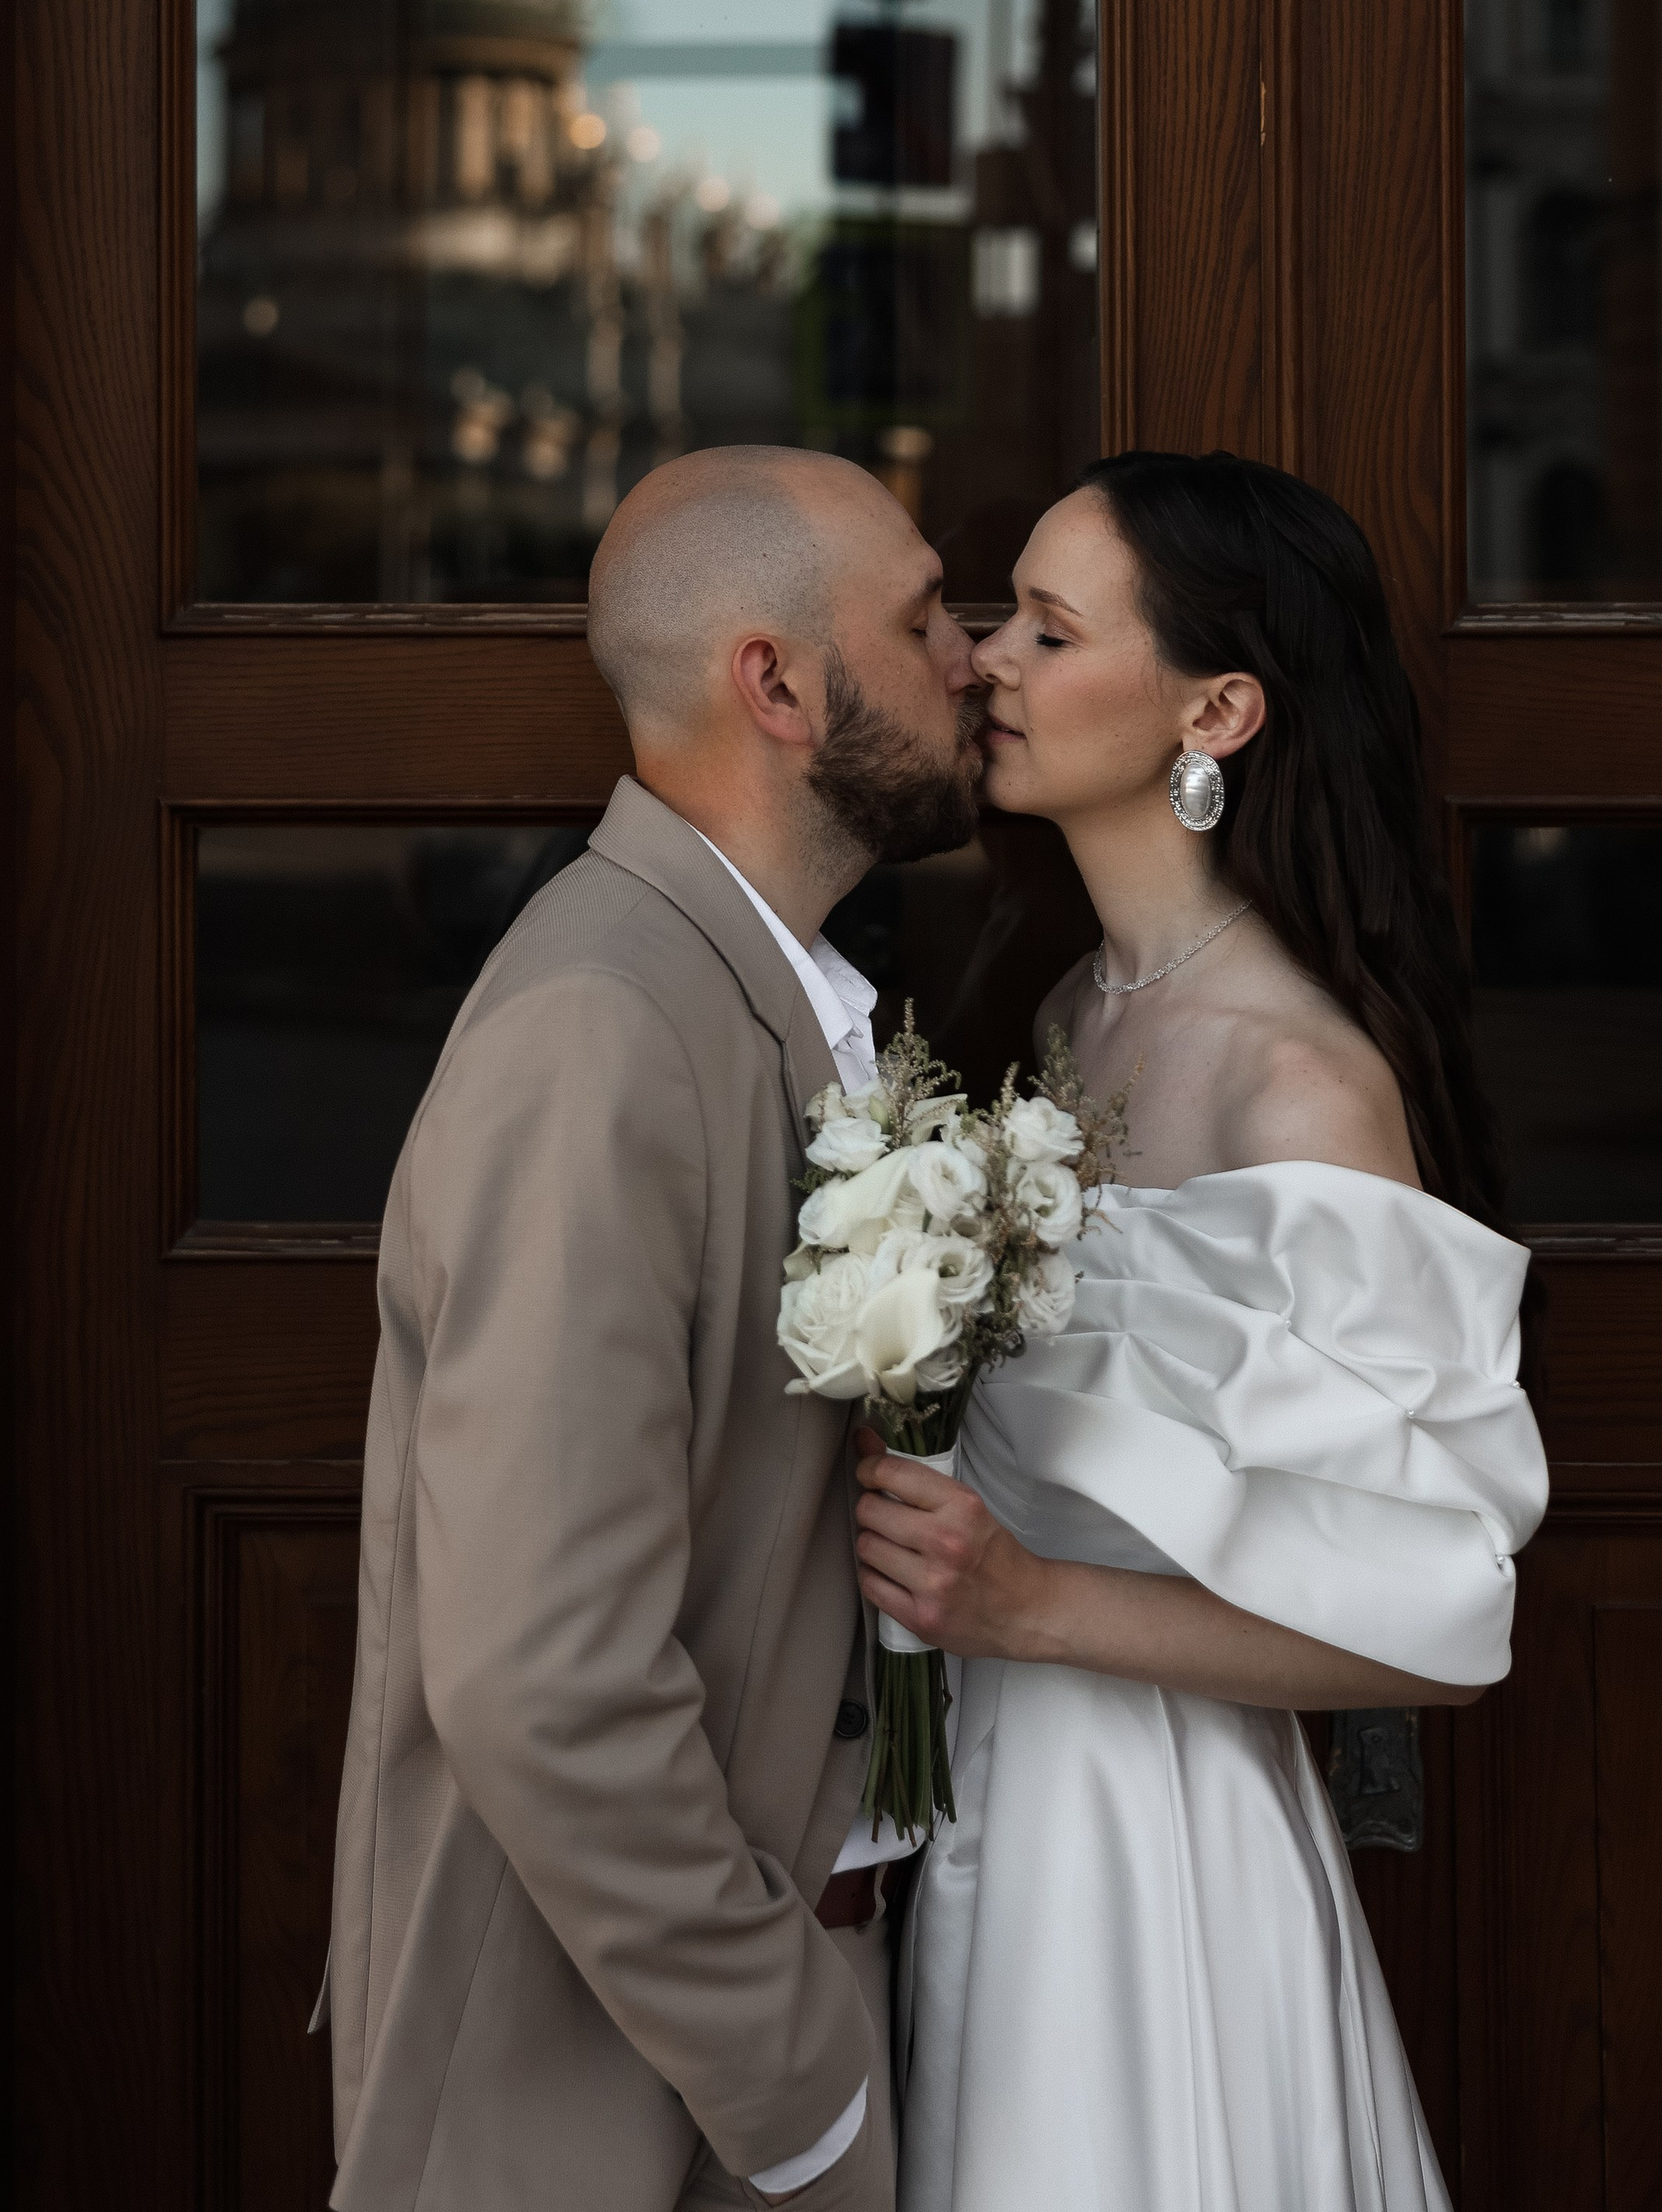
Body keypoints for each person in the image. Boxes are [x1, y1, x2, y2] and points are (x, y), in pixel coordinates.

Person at [856, 452, 1550, 2212]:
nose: (983, 659)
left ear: (1216, 709)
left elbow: (1438, 1623)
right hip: (983, 1799)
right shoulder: (1054, 1004)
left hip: (1154, 1849)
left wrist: (1030, 1605)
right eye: (994, 612)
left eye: (1045, 626)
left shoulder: (1296, 1086)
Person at [325, 444, 985, 2212]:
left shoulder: (767, 987)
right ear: (772, 683)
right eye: (924, 618)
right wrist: (797, 2088)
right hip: (619, 2087)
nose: (973, 658)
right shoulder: (600, 1026)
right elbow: (540, 1672)